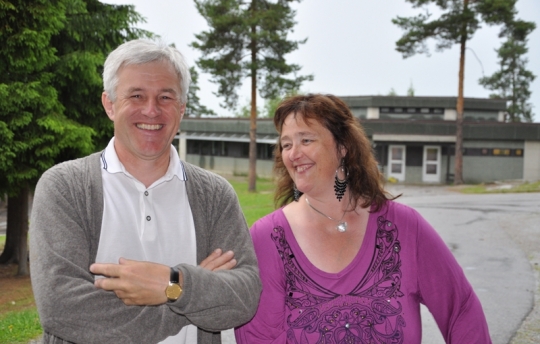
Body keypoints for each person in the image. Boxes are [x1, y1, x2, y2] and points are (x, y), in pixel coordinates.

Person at [29, 39, 261, 344]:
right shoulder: (65, 188)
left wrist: (170, 282)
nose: (151, 110)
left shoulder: (216, 195)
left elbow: (243, 297)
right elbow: (63, 308)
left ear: (181, 109)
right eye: (136, 95)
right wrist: (181, 294)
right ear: (109, 104)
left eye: (165, 97)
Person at [234, 94, 492, 343]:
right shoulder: (267, 237)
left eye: (306, 140)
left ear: (343, 146)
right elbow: (259, 337)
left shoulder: (404, 227)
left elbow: (461, 308)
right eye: (286, 144)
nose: (293, 154)